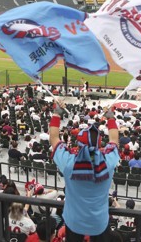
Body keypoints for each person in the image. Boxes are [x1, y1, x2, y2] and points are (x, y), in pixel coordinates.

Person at [50, 102, 120, 241]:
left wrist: (57, 114)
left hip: (74, 221)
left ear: (78, 145)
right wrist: (111, 118)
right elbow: (114, 140)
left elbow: (54, 138)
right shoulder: (108, 161)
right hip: (99, 222)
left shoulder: (69, 163)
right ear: (99, 144)